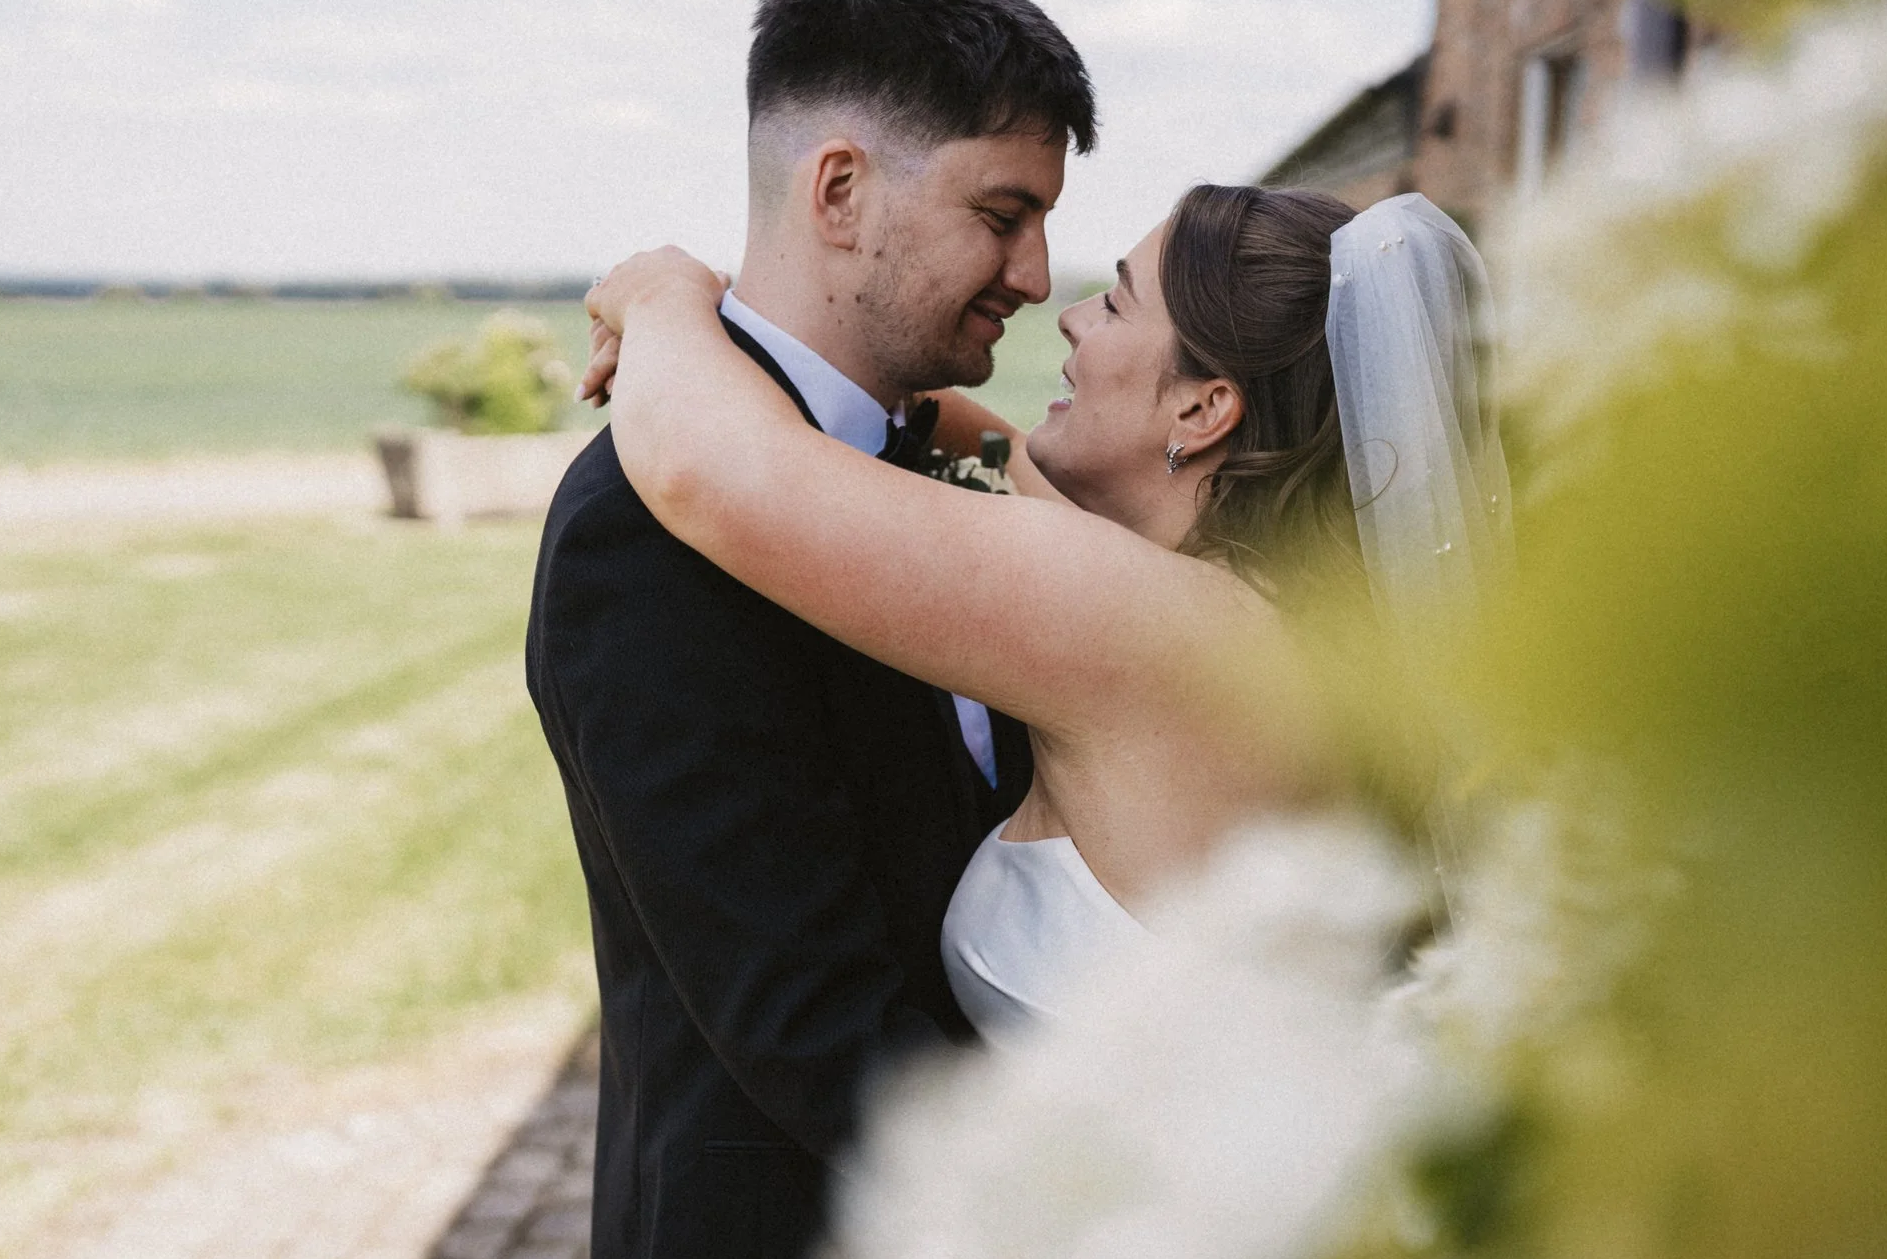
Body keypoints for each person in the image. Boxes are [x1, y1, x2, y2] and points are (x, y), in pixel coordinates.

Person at [523, 0, 1096, 1259]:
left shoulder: (928, 457)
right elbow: (805, 1016)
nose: (1034, 273)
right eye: (1002, 212)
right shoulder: (644, 531)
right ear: (840, 190)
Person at [580, 185, 1514, 1033]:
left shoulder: (1144, 626)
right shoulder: (1284, 616)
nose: (1067, 318)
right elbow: (1023, 457)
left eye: (1114, 302)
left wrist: (662, 294)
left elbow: (706, 473)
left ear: (1202, 411)